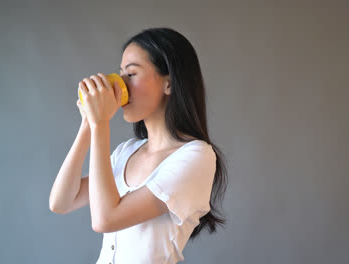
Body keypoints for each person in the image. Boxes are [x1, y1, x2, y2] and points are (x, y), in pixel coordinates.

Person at [49, 27, 228, 264]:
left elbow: (105, 219)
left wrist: (101, 123)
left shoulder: (196, 157)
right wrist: (88, 123)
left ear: (169, 84)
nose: (120, 85)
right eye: (120, 73)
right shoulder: (127, 151)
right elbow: (61, 202)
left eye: (131, 74)